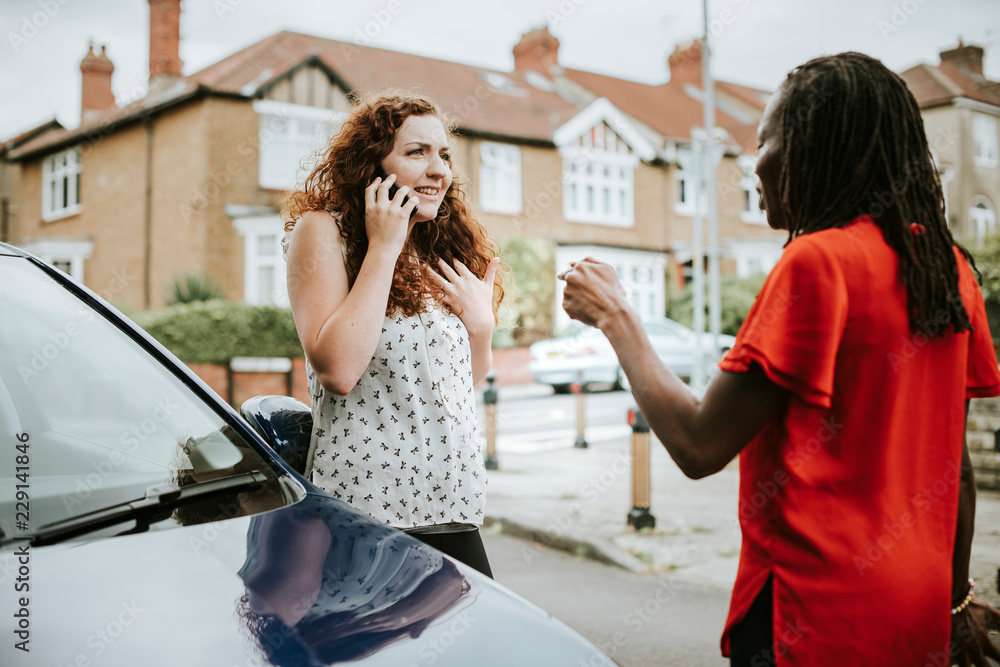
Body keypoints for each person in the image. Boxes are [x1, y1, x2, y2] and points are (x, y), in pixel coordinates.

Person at [559, 52, 1000, 666]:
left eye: (765, 139)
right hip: (916, 615)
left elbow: (697, 445)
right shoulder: (948, 271)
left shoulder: (818, 263)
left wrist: (616, 316)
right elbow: (957, 468)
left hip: (812, 617)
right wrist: (956, 603)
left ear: (811, 149)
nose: (753, 161)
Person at [282, 92, 504, 577]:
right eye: (416, 152)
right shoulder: (324, 232)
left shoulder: (436, 252)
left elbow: (461, 391)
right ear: (371, 163)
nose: (439, 169)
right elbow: (337, 370)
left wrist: (481, 330)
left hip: (454, 509)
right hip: (367, 513)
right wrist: (384, 246)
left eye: (443, 154)